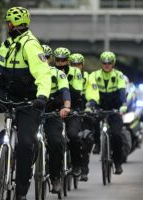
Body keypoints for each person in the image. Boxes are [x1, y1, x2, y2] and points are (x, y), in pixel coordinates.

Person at [0, 7, 52, 200]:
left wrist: (42, 97)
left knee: (25, 144)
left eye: (9, 22)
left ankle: (21, 191)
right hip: (5, 93)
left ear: (16, 24)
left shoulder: (31, 45)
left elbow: (43, 74)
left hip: (28, 100)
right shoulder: (6, 44)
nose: (7, 25)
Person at [53, 47, 99, 178]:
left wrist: (91, 104)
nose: (61, 63)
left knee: (78, 136)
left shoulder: (82, 75)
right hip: (56, 110)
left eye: (78, 64)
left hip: (77, 109)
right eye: (58, 60)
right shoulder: (51, 72)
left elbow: (86, 92)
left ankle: (80, 164)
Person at [89, 51, 127, 174]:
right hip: (100, 106)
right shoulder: (94, 75)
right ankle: (97, 144)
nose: (106, 65)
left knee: (117, 135)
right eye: (104, 63)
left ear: (113, 63)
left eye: (109, 63)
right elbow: (92, 91)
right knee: (93, 121)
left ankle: (117, 163)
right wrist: (92, 105)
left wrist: (124, 105)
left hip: (115, 109)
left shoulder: (118, 75)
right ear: (101, 63)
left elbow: (122, 90)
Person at [42, 44, 71, 193]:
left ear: (50, 59)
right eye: (40, 57)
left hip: (53, 114)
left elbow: (65, 90)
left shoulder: (58, 74)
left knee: (56, 142)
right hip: (33, 114)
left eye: (46, 57)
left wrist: (66, 106)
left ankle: (55, 178)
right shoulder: (29, 72)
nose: (43, 60)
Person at [69, 52, 95, 181]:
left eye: (78, 64)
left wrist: (90, 105)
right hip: (70, 109)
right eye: (73, 64)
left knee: (86, 139)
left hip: (84, 110)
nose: (75, 67)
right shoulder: (67, 75)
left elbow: (92, 92)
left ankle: (84, 167)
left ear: (82, 65)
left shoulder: (88, 78)